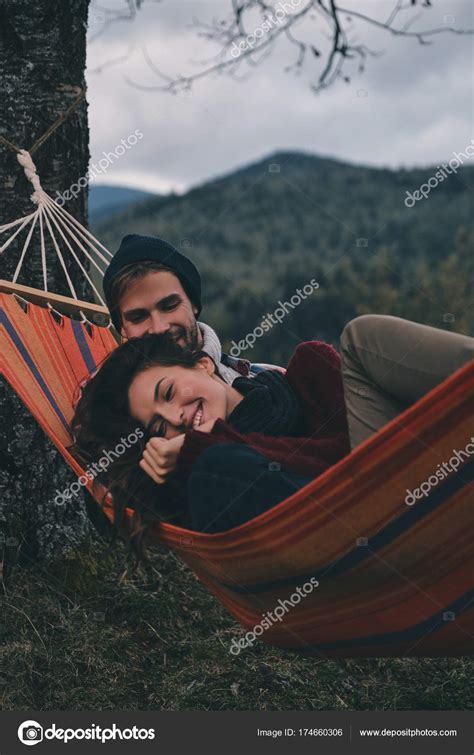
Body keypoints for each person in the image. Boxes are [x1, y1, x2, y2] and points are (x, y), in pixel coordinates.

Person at [71, 333, 351, 541]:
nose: (173, 418)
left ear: (203, 364)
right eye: (158, 428)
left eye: (168, 393)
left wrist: (206, 445)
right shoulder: (208, 480)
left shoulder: (310, 370)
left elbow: (351, 462)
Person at [102, 233, 278, 384]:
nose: (159, 327)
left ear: (193, 303)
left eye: (169, 306)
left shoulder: (271, 380)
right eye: (138, 317)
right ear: (123, 327)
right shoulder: (105, 408)